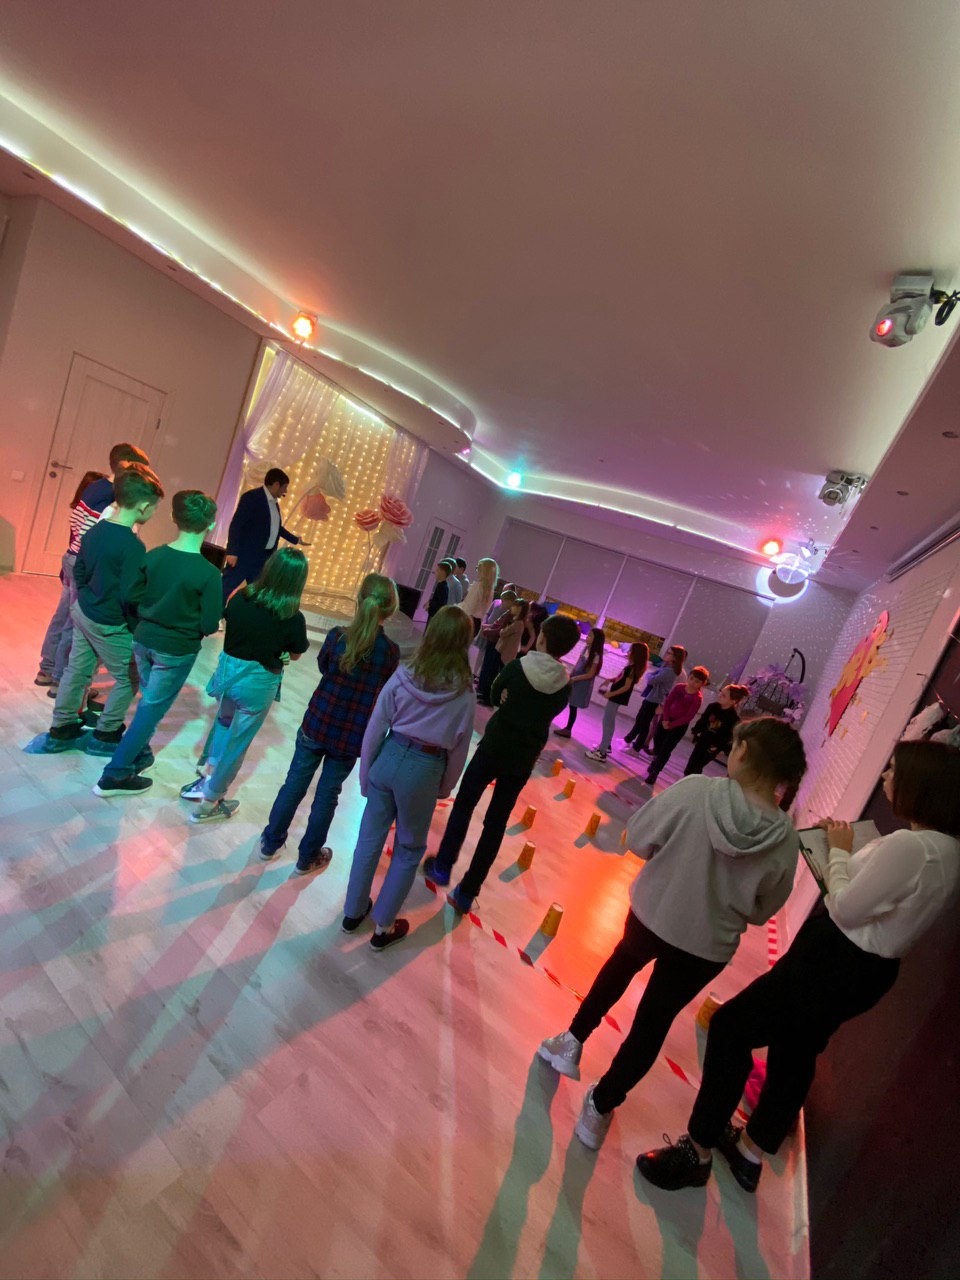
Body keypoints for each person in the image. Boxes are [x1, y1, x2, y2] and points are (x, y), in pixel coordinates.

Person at [638, 738, 960, 1194]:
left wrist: (839, 852)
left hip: (833, 959)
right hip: (871, 972)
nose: (887, 776)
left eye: (894, 770)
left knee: (731, 1028)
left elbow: (846, 907)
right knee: (797, 1048)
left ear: (921, 786)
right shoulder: (949, 851)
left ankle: (697, 1150)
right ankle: (751, 1151)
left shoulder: (912, 846)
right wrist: (847, 851)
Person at [538, 717, 807, 1153]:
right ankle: (600, 1107)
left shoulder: (697, 791)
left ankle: (570, 1042)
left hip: (654, 913)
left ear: (743, 751)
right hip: (707, 946)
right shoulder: (786, 840)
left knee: (618, 968)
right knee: (653, 1022)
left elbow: (638, 838)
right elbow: (763, 910)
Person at [423, 613, 581, 912]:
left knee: (464, 804)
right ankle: (468, 891)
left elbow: (495, 694)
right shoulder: (564, 685)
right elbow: (551, 711)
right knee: (496, 823)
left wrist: (510, 701)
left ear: (542, 638)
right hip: (523, 757)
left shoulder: (519, 667)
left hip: (494, 746)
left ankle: (443, 865)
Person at [342, 605, 477, 950]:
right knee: (408, 848)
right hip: (425, 769)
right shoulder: (464, 693)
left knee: (369, 838)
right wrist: (445, 786)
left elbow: (376, 725)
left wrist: (366, 772)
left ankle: (353, 912)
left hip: (389, 756)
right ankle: (383, 927)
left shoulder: (404, 674)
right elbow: (459, 748)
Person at [260, 573, 400, 874]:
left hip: (318, 722)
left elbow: (324, 667)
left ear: (359, 599)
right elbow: (386, 690)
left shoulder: (337, 637)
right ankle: (307, 857)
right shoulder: (390, 652)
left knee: (294, 783)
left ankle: (270, 842)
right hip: (351, 735)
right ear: (390, 609)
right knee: (327, 795)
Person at [92, 491, 221, 796]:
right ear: (211, 525)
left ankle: (139, 753)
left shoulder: (153, 556)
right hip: (175, 650)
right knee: (150, 708)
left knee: (149, 702)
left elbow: (131, 596)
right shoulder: (209, 574)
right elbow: (209, 624)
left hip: (144, 641)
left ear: (174, 518)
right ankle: (114, 775)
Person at [38, 464, 164, 755]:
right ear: (143, 506)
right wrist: (136, 624)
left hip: (84, 613)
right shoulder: (133, 546)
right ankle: (106, 734)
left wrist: (86, 599)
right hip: (110, 622)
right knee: (128, 676)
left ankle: (62, 726)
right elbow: (131, 594)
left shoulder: (94, 531)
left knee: (77, 670)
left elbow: (79, 571)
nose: (153, 513)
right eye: (154, 508)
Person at [182, 547, 309, 822]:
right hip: (257, 684)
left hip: (227, 676)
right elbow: (296, 652)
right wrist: (282, 653)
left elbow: (233, 626)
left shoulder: (241, 598)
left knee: (222, 723)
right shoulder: (292, 617)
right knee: (238, 742)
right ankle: (210, 802)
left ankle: (206, 776)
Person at [34, 469, 107, 691]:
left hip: (70, 562)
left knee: (61, 617)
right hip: (80, 565)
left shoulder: (78, 512)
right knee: (72, 623)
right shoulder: (95, 516)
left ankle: (47, 669)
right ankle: (60, 677)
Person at [221, 467, 311, 608]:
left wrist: (296, 539)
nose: (285, 491)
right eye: (284, 487)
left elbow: (277, 528)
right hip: (244, 556)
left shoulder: (274, 504)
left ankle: (246, 617)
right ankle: (214, 615)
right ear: (276, 485)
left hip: (264, 558)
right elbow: (236, 525)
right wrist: (232, 551)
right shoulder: (252, 497)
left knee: (257, 594)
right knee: (225, 588)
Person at [645, 666, 710, 784]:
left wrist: (672, 725)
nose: (693, 682)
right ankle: (656, 759)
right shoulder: (679, 688)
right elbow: (668, 702)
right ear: (688, 677)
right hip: (666, 720)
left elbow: (688, 716)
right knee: (658, 740)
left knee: (666, 749)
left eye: (697, 681)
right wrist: (665, 719)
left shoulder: (697, 698)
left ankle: (655, 771)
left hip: (678, 726)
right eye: (691, 678)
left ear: (702, 684)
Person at [586, 642, 649, 762]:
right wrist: (611, 680)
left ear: (635, 654)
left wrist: (611, 694)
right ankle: (606, 745)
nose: (628, 652)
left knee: (607, 722)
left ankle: (602, 752)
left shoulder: (631, 669)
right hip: (616, 697)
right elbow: (622, 679)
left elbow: (626, 686)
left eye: (630, 651)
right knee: (608, 721)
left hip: (617, 698)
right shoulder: (630, 668)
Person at [624, 644, 687, 753]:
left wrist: (650, 676)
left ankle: (636, 747)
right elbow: (652, 676)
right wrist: (651, 676)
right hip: (652, 697)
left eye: (669, 653)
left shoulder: (669, 671)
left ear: (675, 658)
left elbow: (651, 679)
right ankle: (630, 740)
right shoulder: (666, 668)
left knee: (645, 723)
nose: (666, 654)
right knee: (641, 720)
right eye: (667, 652)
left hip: (655, 699)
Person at [684, 683, 749, 776]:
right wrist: (695, 731)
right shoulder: (713, 707)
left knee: (696, 767)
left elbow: (728, 737)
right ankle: (690, 780)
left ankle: (692, 782)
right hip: (702, 740)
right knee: (691, 767)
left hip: (713, 747)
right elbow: (703, 719)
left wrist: (721, 749)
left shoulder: (733, 718)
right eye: (720, 692)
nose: (719, 695)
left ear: (733, 701)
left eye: (724, 695)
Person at [554, 627, 605, 738]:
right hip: (575, 679)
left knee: (573, 706)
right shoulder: (585, 649)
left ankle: (568, 729)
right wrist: (571, 675)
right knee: (564, 699)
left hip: (582, 684)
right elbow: (577, 664)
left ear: (596, 640)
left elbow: (590, 674)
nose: (587, 637)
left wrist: (574, 679)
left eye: (590, 636)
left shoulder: (596, 656)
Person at [477, 598, 529, 705]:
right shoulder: (515, 620)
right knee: (492, 673)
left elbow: (503, 632)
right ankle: (485, 695)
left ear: (520, 609)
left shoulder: (518, 623)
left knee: (495, 676)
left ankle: (489, 700)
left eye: (516, 606)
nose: (512, 608)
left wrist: (497, 630)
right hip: (501, 650)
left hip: (505, 654)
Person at [460, 557, 499, 638]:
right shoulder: (490, 590)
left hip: (467, 620)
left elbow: (468, 608)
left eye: (478, 568)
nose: (477, 571)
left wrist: (455, 608)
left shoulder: (478, 587)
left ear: (483, 571)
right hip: (476, 624)